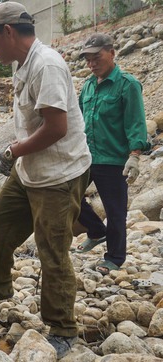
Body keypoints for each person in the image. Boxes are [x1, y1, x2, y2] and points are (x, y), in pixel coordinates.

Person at [0, 2, 92, 359]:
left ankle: (63, 329)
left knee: (52, 252)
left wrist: (12, 152)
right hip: (31, 170)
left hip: (58, 174)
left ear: (8, 32)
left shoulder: (47, 65)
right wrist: (14, 155)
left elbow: (56, 127)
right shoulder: (24, 64)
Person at [72, 33, 149, 276]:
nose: (92, 63)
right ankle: (96, 231)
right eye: (88, 60)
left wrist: (135, 155)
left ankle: (115, 257)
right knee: (67, 196)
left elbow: (136, 123)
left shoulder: (127, 85)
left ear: (112, 53)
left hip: (114, 160)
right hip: (86, 158)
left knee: (115, 211)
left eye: (97, 57)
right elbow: (78, 122)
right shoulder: (87, 86)